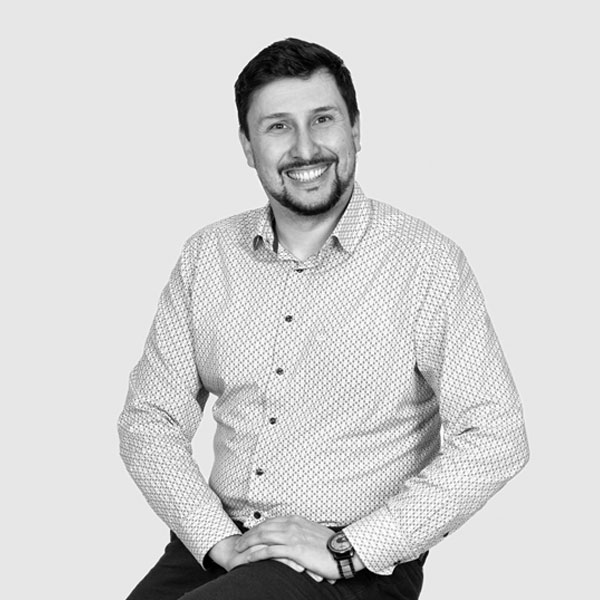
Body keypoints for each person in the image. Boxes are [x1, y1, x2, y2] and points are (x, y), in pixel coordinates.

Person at [118, 37, 529, 600]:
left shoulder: (427, 264)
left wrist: (352, 548)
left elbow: (497, 435)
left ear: (355, 129)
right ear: (247, 146)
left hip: (354, 567)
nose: (305, 147)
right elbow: (148, 420)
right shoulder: (207, 257)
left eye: (323, 119)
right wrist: (217, 540)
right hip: (224, 547)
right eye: (278, 126)